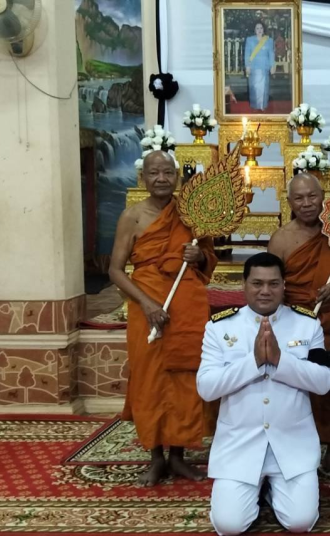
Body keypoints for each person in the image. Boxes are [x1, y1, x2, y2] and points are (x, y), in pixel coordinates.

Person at [197, 252, 330, 535]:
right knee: (229, 526)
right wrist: (254, 363)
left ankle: (270, 493)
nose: (265, 291)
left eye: (273, 284)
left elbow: (323, 382)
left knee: (300, 523)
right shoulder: (220, 327)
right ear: (244, 285)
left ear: (284, 285)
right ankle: (255, 491)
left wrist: (281, 362)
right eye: (257, 283)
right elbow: (207, 387)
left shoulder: (307, 324)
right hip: (240, 445)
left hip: (292, 444)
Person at [108, 151, 216, 486]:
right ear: (143, 178)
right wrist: (147, 304)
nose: (161, 179)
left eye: (167, 172)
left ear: (176, 178)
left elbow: (208, 262)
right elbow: (115, 269)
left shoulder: (193, 214)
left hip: (185, 306)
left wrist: (199, 256)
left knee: (185, 376)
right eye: (154, 173)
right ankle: (156, 457)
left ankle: (180, 456)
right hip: (146, 309)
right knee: (149, 379)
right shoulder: (133, 217)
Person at [268, 171, 330, 475]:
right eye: (299, 198)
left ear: (323, 196)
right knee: (298, 382)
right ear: (289, 202)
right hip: (296, 320)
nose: (307, 203)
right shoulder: (281, 239)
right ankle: (297, 442)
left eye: (312, 196)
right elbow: (272, 285)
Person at [243, 20, 274, 112]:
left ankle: (263, 105)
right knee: (254, 87)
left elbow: (271, 54)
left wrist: (272, 65)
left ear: (264, 29)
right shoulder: (250, 40)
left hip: (264, 67)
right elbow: (247, 54)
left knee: (264, 87)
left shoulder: (269, 40)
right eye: (257, 28)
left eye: (261, 28)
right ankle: (255, 106)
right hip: (253, 67)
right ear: (254, 30)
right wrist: (247, 66)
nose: (259, 30)